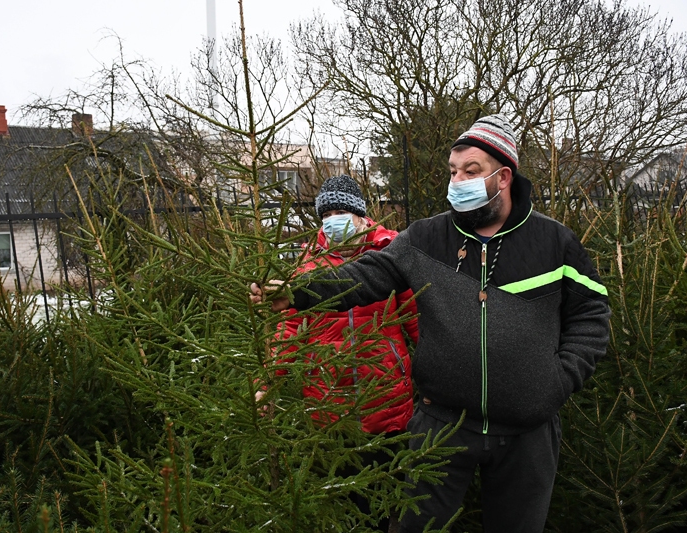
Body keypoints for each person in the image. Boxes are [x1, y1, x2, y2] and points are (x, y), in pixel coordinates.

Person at [251, 115, 611, 533]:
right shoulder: (425, 239)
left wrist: (559, 379)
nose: (458, 181)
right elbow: (365, 274)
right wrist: (295, 291)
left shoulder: (554, 242)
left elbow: (591, 313)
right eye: (453, 171)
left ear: (504, 176)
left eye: (471, 172)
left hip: (527, 434)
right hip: (441, 425)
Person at [261, 174, 418, 532]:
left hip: (387, 402)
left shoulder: (390, 258)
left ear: (363, 216)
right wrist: (266, 382)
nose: (334, 219)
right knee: (349, 506)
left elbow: (418, 321)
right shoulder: (306, 267)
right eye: (327, 213)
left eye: (343, 211)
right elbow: (288, 332)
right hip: (329, 406)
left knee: (390, 500)